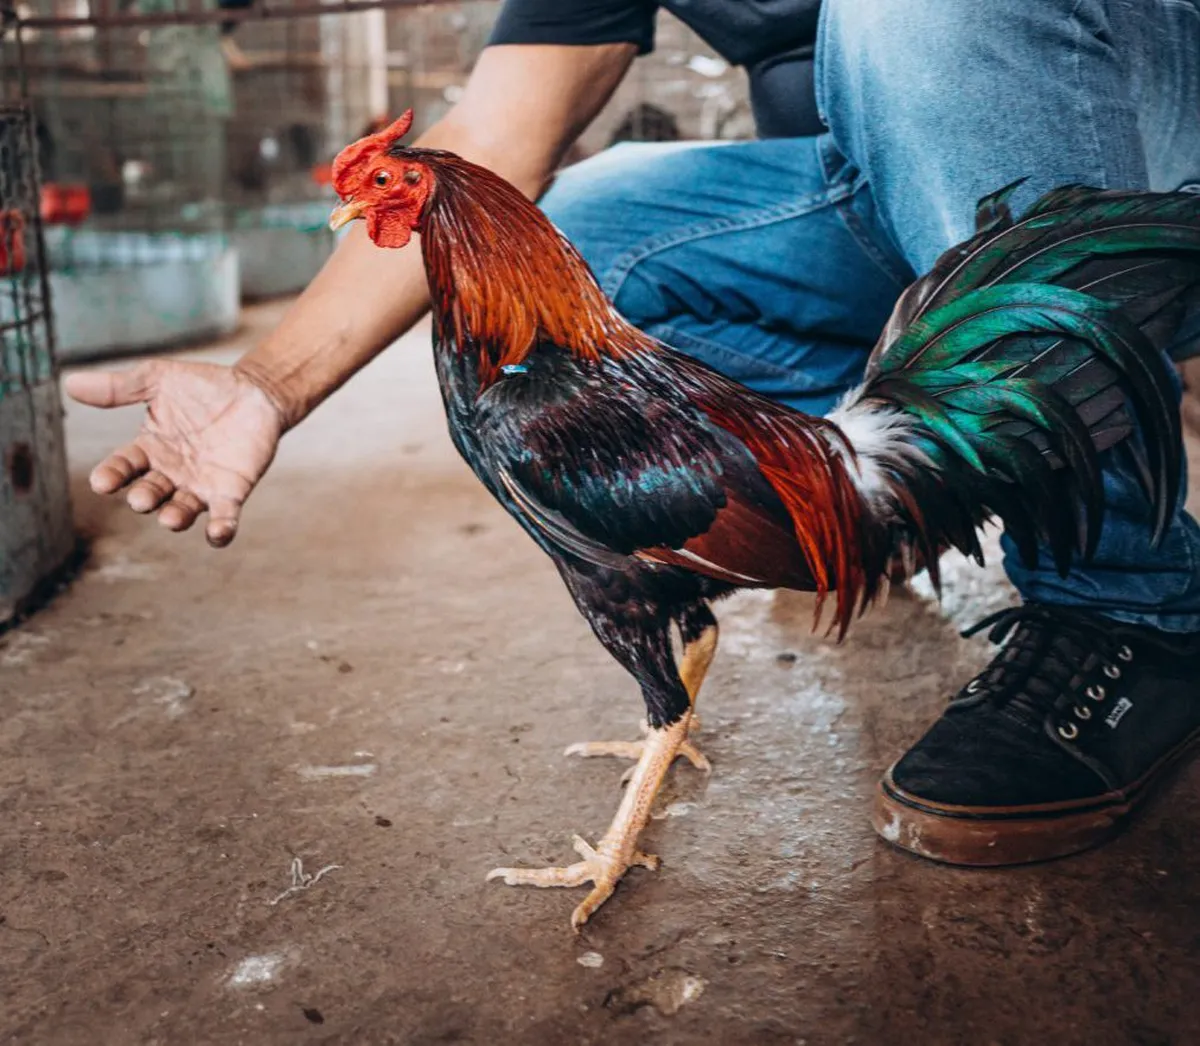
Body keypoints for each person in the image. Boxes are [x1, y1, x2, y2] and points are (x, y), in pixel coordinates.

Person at [67, 0, 1200, 864]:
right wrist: (266, 383)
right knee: (587, 242)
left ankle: (1124, 599)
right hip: (862, 192)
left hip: (1130, 126)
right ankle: (893, 473)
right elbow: (508, 126)